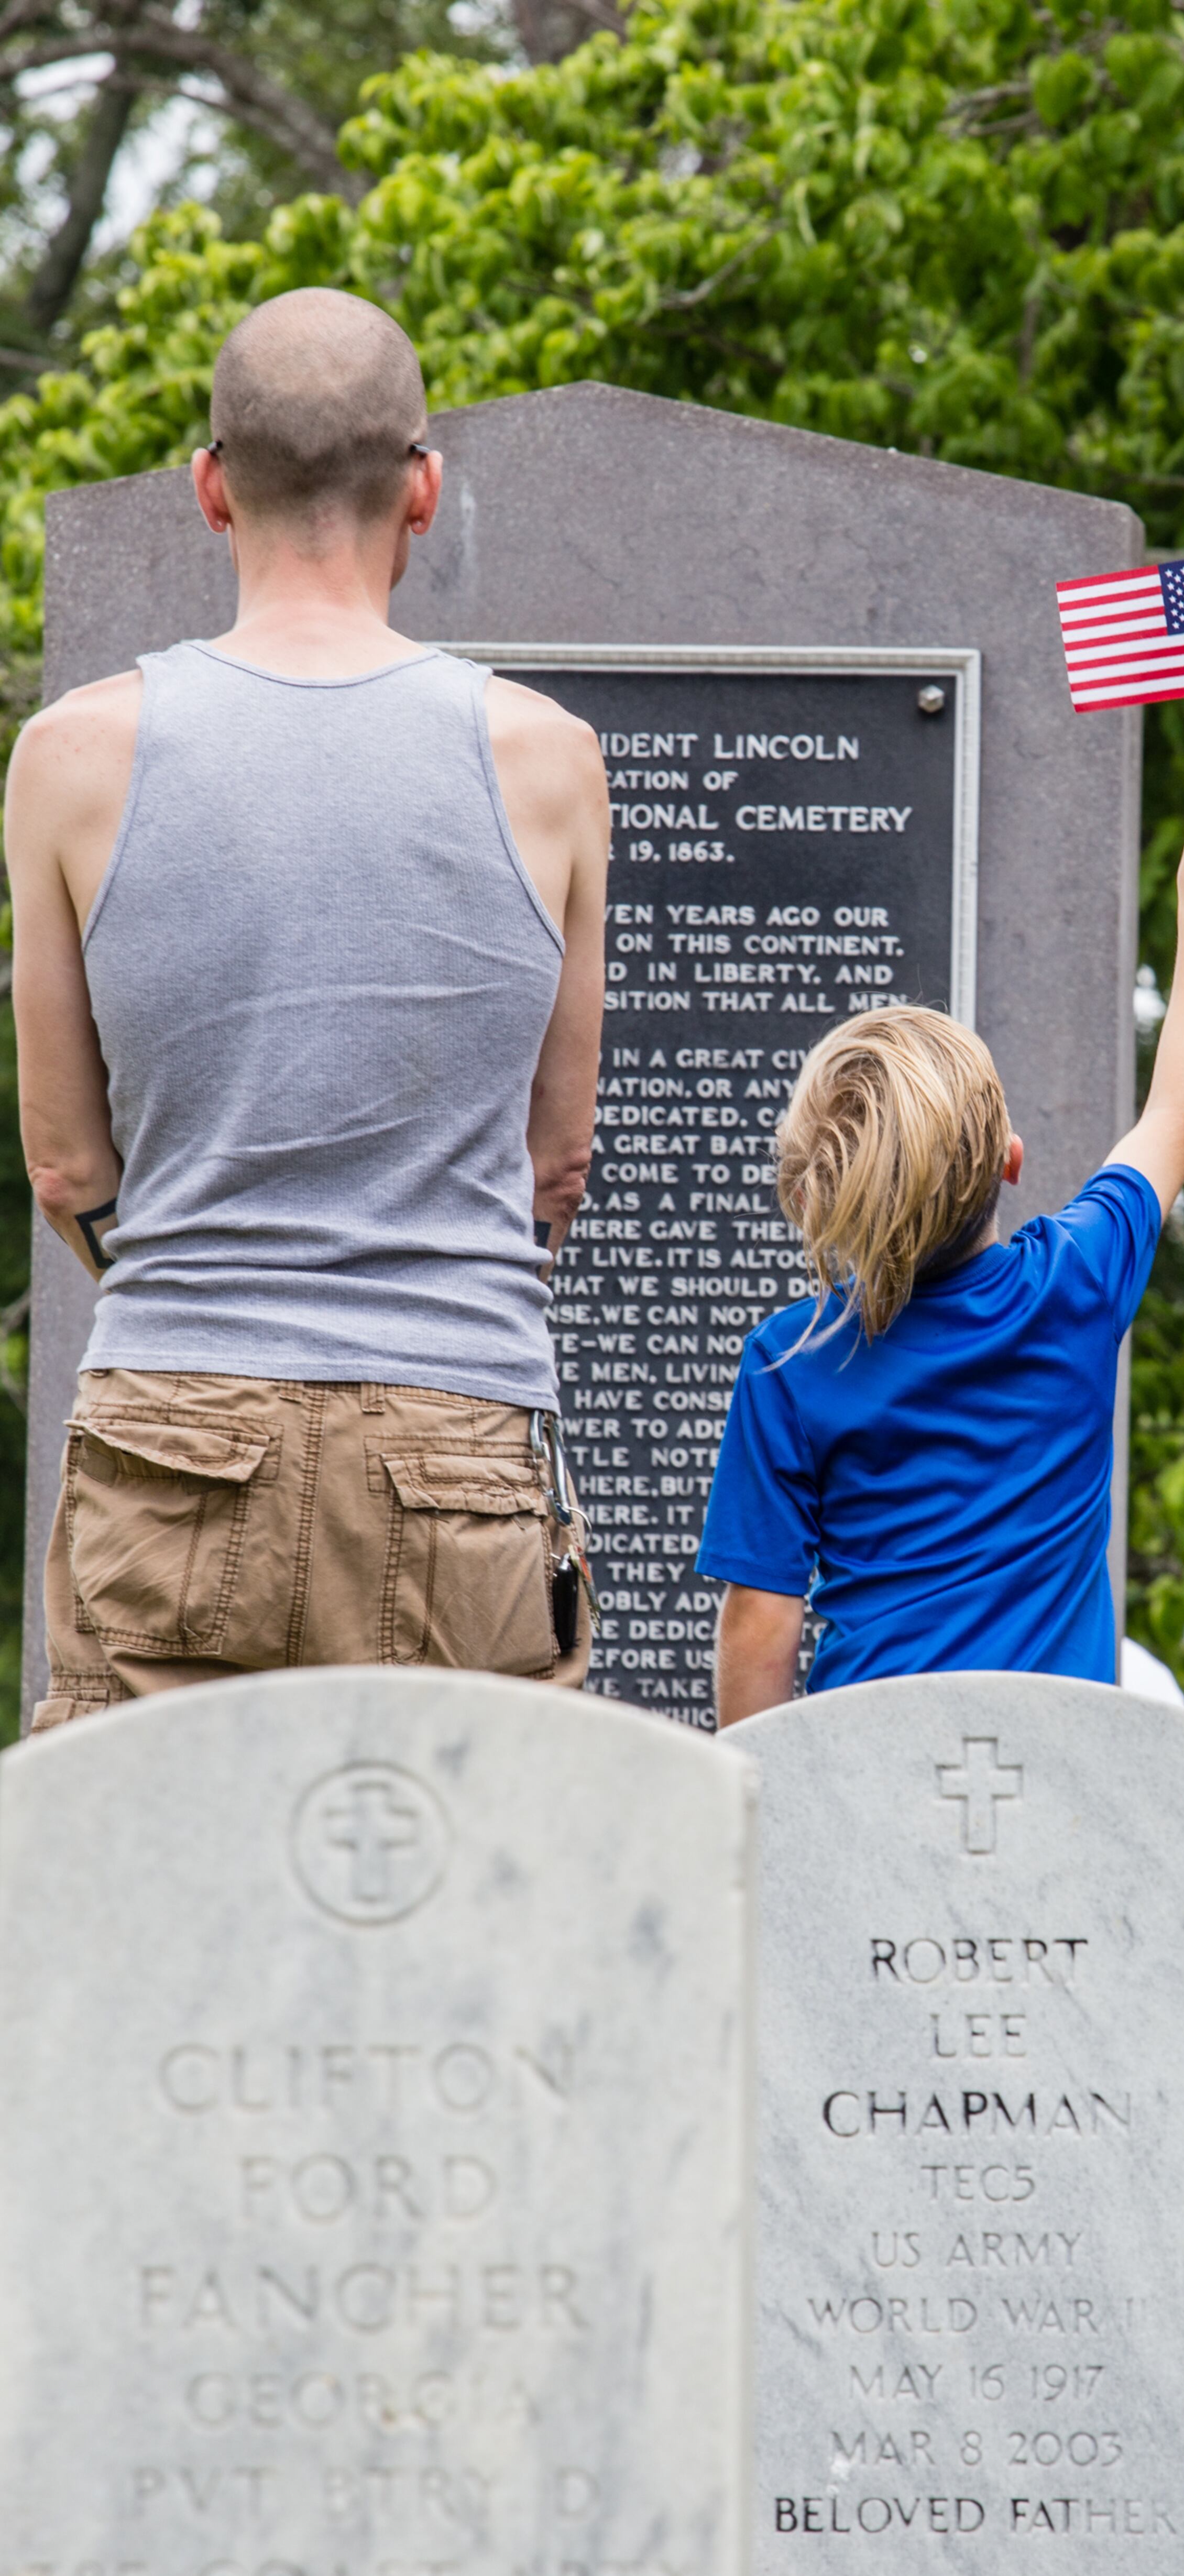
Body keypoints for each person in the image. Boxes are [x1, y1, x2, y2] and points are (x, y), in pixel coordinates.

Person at [9, 288, 608, 1727]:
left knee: (138, 1913)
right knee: (458, 1912)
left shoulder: (73, 755)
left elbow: (67, 1166)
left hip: (174, 1421)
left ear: (209, 488)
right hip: (459, 1438)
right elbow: (557, 1162)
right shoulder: (550, 759)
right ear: (424, 490)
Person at [699, 793, 1184, 1725]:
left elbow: (761, 1624)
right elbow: (1180, 1115)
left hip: (866, 1765)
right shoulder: (1073, 1286)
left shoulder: (789, 1363)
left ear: (815, 1192)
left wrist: (769, 1824)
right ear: (1010, 1160)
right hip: (1060, 1763)